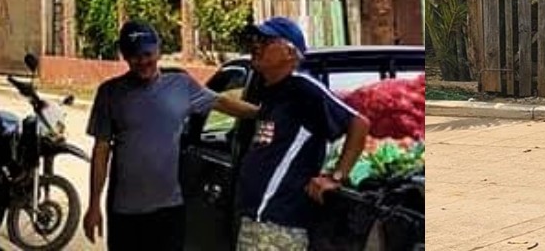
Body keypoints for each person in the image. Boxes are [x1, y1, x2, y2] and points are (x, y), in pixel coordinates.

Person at [83, 20, 259, 250]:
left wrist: (264, 113)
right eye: (134, 55)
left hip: (169, 210)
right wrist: (93, 205)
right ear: (124, 56)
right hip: (124, 212)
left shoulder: (181, 85)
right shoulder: (110, 93)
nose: (142, 61)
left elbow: (222, 102)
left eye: (147, 53)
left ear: (159, 49)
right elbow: (101, 151)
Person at [231, 17, 370, 251]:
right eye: (255, 40)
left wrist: (336, 176)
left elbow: (359, 123)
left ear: (288, 51)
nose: (256, 46)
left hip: (280, 226)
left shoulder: (302, 88)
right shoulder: (273, 93)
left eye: (265, 41)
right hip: (258, 222)